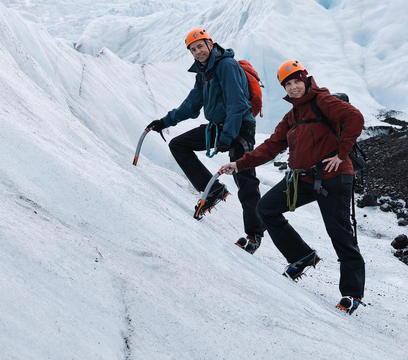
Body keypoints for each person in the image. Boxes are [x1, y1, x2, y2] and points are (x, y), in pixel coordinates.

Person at [218, 60, 366, 314]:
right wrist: (240, 164)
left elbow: (355, 118)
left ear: (306, 79)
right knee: (266, 208)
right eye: (288, 84)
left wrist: (342, 154)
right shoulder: (292, 116)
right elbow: (271, 147)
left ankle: (351, 294)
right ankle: (301, 256)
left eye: (297, 80)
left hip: (334, 176)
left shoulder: (323, 102)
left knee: (340, 234)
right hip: (304, 179)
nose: (294, 86)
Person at [146, 28, 264, 251]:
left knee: (245, 178)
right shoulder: (204, 73)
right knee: (178, 145)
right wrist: (164, 122)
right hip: (221, 127)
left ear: (210, 44)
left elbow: (237, 104)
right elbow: (191, 106)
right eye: (193, 49)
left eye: (200, 46)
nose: (197, 51)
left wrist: (228, 137)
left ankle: (255, 235)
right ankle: (213, 191)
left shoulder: (226, 66)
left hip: (241, 126)